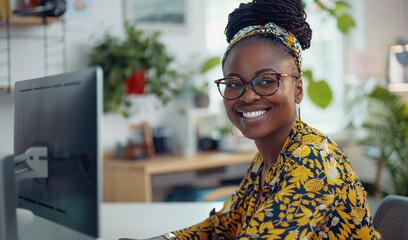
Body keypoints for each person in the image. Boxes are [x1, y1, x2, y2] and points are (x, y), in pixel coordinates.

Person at [121, 0, 382, 239]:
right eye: (234, 83)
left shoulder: (314, 160)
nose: (247, 96)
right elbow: (224, 225)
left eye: (267, 81)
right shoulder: (266, 160)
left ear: (298, 90)